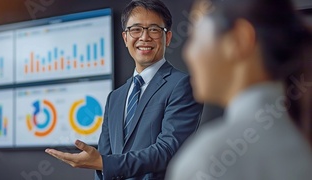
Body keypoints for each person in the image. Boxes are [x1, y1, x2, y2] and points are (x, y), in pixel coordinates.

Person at [45, 0, 203, 179]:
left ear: (167, 37)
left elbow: (168, 150)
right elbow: (104, 157)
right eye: (136, 29)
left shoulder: (182, 85)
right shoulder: (115, 97)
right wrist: (102, 164)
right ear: (125, 38)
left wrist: (104, 163)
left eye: (153, 29)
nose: (144, 37)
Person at [166, 0, 312, 179]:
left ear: (240, 40)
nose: (187, 53)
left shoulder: (207, 159)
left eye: (195, 35)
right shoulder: (300, 142)